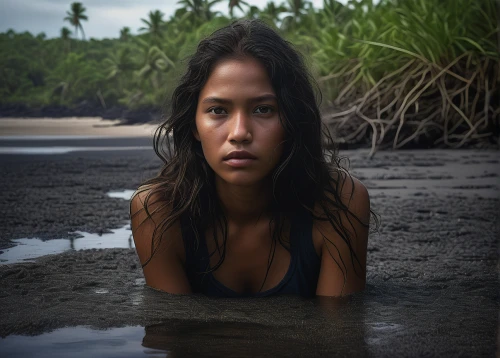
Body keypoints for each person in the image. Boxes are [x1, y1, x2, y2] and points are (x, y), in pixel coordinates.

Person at [130, 19, 374, 298]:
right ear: (194, 125)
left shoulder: (339, 202)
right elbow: (172, 332)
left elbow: (339, 333)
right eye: (218, 111)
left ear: (293, 120)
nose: (240, 133)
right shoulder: (159, 211)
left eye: (263, 109)